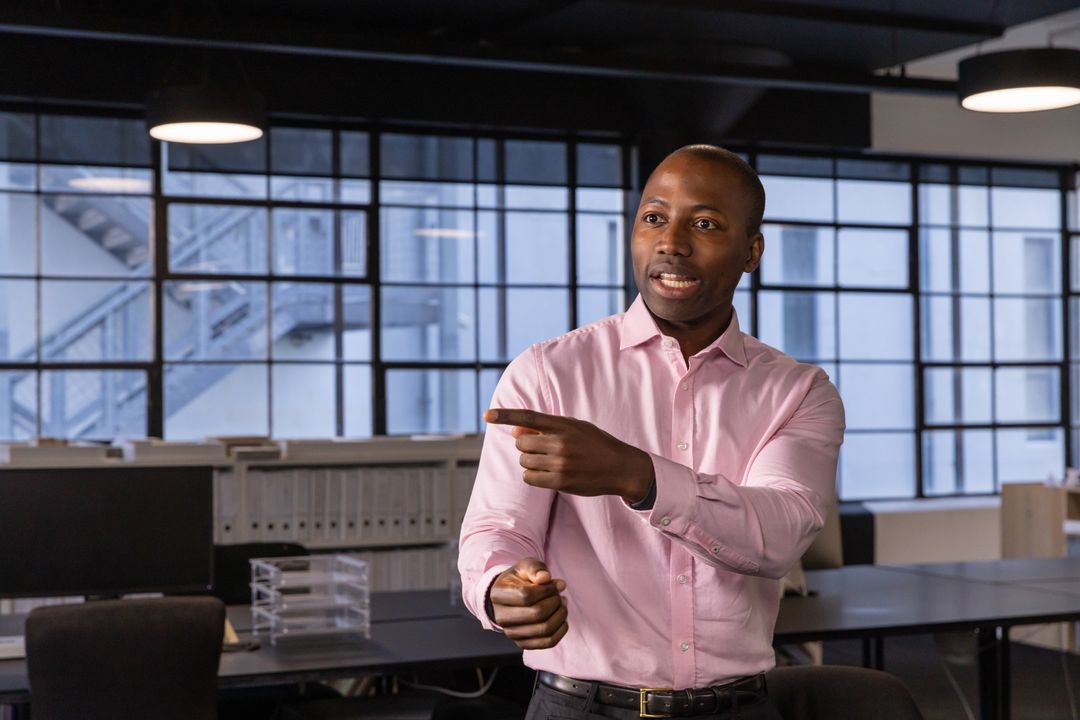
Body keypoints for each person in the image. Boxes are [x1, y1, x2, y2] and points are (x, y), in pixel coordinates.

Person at [458, 144, 845, 719]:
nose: (671, 242)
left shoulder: (798, 391)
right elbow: (498, 528)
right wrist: (500, 586)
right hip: (578, 707)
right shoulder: (546, 373)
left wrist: (636, 474)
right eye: (654, 218)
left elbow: (781, 533)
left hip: (737, 708)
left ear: (751, 250)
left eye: (706, 223)